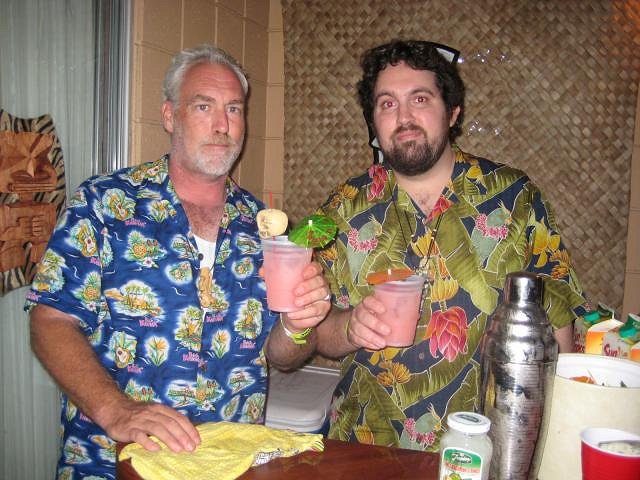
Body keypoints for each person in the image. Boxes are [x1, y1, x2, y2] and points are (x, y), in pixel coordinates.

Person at [26, 44, 328, 479]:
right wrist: (116, 409)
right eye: (204, 106)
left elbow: (279, 356)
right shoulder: (103, 205)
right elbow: (50, 322)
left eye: (234, 109)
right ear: (170, 116)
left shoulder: (263, 227)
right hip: (114, 463)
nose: (223, 125)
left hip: (230, 464)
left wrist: (297, 326)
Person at [313, 40, 589, 452]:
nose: (403, 117)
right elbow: (317, 331)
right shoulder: (343, 207)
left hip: (486, 450)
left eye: (420, 99)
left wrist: (558, 440)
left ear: (452, 111)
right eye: (387, 104)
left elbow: (557, 317)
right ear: (373, 121)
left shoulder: (514, 199)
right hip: (364, 447)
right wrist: (350, 328)